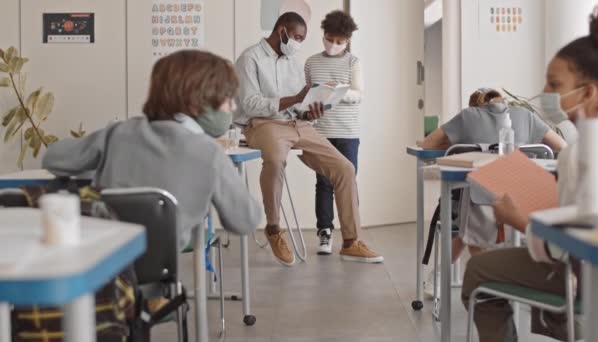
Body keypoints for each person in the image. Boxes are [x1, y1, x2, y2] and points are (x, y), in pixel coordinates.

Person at [462, 7, 598, 341]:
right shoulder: (577, 149)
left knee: (478, 271)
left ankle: (569, 325)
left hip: (587, 274)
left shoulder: (583, 154)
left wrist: (519, 220)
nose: (544, 91)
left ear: (587, 92)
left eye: (554, 84)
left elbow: (578, 246)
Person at [42, 50, 262, 251]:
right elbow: (245, 221)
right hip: (160, 266)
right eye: (227, 100)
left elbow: (53, 159)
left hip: (107, 261)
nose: (233, 108)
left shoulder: (118, 133)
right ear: (199, 102)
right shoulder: (210, 154)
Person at [234, 12, 383, 266]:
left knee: (345, 168)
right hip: (263, 123)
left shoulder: (292, 59)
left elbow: (300, 102)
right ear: (281, 30)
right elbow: (249, 104)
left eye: (302, 39)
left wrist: (311, 109)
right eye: (297, 37)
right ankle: (273, 228)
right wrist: (294, 100)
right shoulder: (250, 58)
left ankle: (350, 242)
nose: (299, 43)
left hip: (298, 123)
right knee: (275, 160)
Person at [418, 88, 566, 297]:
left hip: (480, 203)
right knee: (468, 229)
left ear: (478, 106)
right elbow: (561, 146)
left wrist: (454, 143)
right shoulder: (526, 115)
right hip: (523, 202)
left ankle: (446, 278)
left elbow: (426, 144)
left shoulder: (468, 116)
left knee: (466, 227)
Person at [304, 10, 362, 255]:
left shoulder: (353, 62)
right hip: (320, 131)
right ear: (323, 35)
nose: (333, 45)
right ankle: (324, 233)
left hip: (347, 131)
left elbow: (358, 95)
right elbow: (305, 95)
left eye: (339, 42)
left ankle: (352, 237)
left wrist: (337, 91)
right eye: (329, 39)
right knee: (323, 183)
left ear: (347, 41)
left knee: (347, 181)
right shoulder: (311, 62)